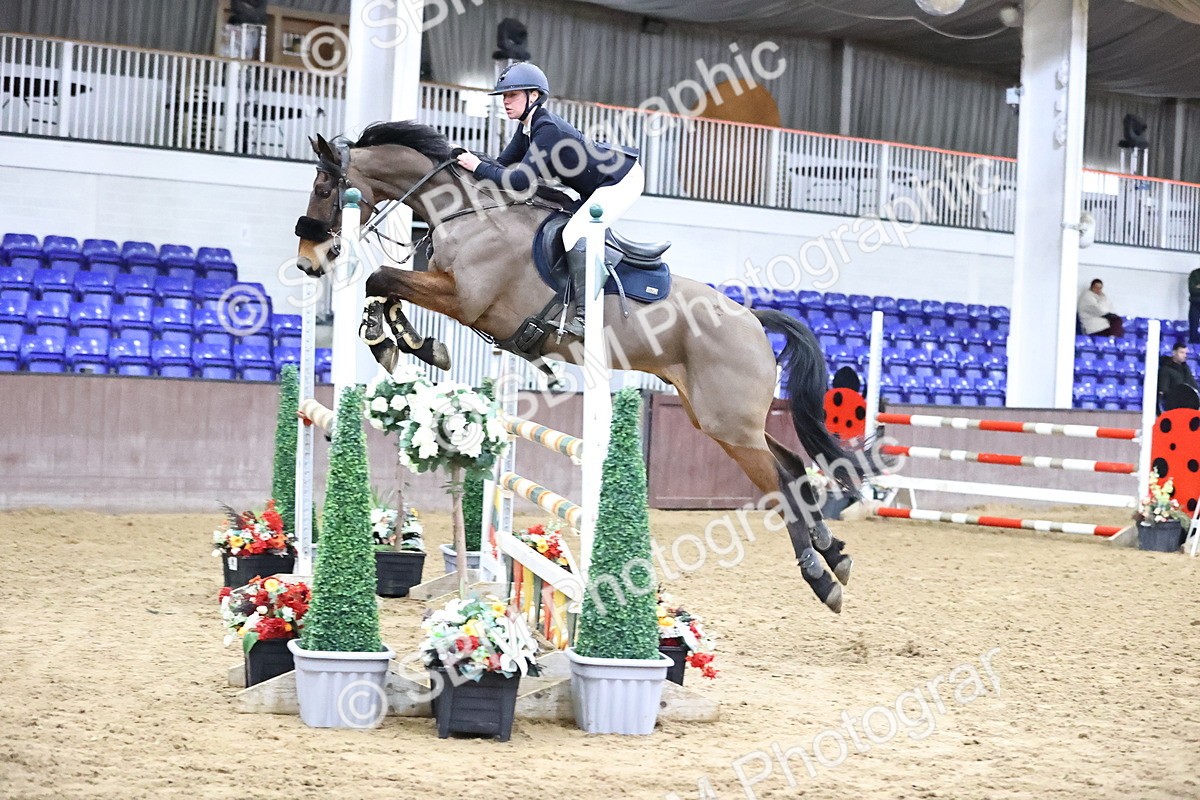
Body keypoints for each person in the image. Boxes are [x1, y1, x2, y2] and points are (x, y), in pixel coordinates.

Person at [455, 62, 644, 336]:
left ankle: (586, 318)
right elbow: (500, 166)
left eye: (512, 95)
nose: (506, 102)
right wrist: (464, 161)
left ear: (534, 96)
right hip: (596, 185)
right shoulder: (527, 130)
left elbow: (520, 181)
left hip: (622, 180)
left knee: (575, 233)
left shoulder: (546, 129)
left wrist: (476, 166)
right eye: (504, 97)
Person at [1187, 265, 1200, 345]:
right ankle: (1193, 345)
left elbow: (1196, 289)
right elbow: (1192, 290)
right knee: (1193, 328)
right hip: (1195, 304)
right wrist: (1196, 288)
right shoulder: (1195, 274)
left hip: (1195, 301)